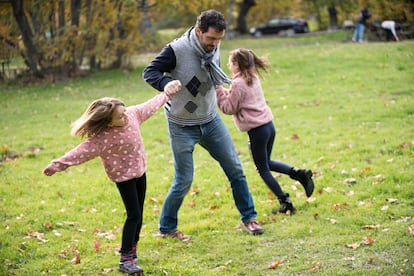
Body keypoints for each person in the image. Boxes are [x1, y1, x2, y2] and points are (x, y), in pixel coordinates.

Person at [142, 9, 263, 239]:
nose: (215, 44)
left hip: (210, 120)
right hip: (181, 125)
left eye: (219, 39)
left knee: (236, 169)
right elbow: (149, 72)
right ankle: (167, 228)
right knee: (183, 180)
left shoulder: (213, 46)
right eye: (210, 39)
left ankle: (250, 218)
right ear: (198, 31)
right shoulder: (176, 50)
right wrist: (166, 82)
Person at [43, 92, 176, 274]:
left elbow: (150, 105)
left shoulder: (133, 114)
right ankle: (125, 259)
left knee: (139, 215)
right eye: (120, 116)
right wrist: (57, 165)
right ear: (109, 123)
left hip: (140, 172)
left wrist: (167, 93)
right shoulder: (103, 138)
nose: (125, 117)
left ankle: (132, 251)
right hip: (124, 179)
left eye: (124, 112)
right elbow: (81, 152)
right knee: (134, 216)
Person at [216, 48, 314, 215]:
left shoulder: (238, 83)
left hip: (257, 131)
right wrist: (224, 90)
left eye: (231, 62)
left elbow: (228, 107)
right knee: (266, 162)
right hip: (268, 126)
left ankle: (286, 203)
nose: (228, 64)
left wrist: (217, 89)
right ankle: (298, 173)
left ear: (238, 65)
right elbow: (236, 97)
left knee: (262, 169)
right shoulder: (251, 78)